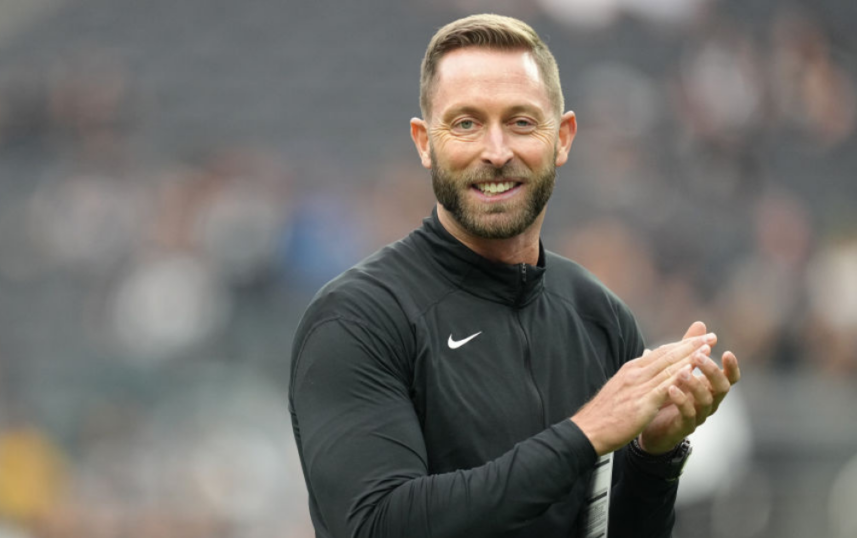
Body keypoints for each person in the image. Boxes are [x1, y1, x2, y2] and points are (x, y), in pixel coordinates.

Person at [288, 13, 741, 538]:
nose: (496, 152)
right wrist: (584, 433)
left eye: (522, 122)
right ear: (424, 142)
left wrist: (654, 456)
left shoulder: (600, 318)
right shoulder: (357, 319)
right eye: (466, 123)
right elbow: (376, 525)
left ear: (563, 138)